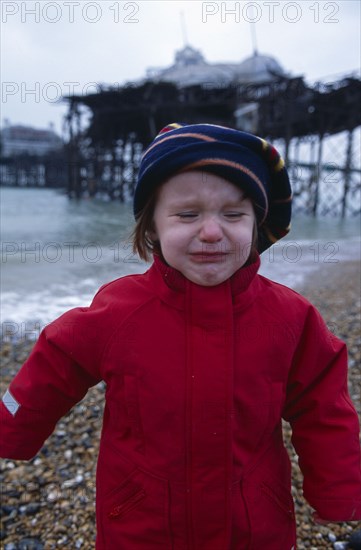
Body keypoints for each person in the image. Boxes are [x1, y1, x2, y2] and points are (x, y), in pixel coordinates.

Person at [1, 122, 360, 549]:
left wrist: (339, 491)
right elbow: (54, 362)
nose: (211, 231)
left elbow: (324, 411)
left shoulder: (290, 318)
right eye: (187, 215)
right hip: (140, 523)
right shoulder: (119, 312)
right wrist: (9, 424)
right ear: (151, 227)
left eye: (233, 214)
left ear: (257, 224)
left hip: (253, 524)